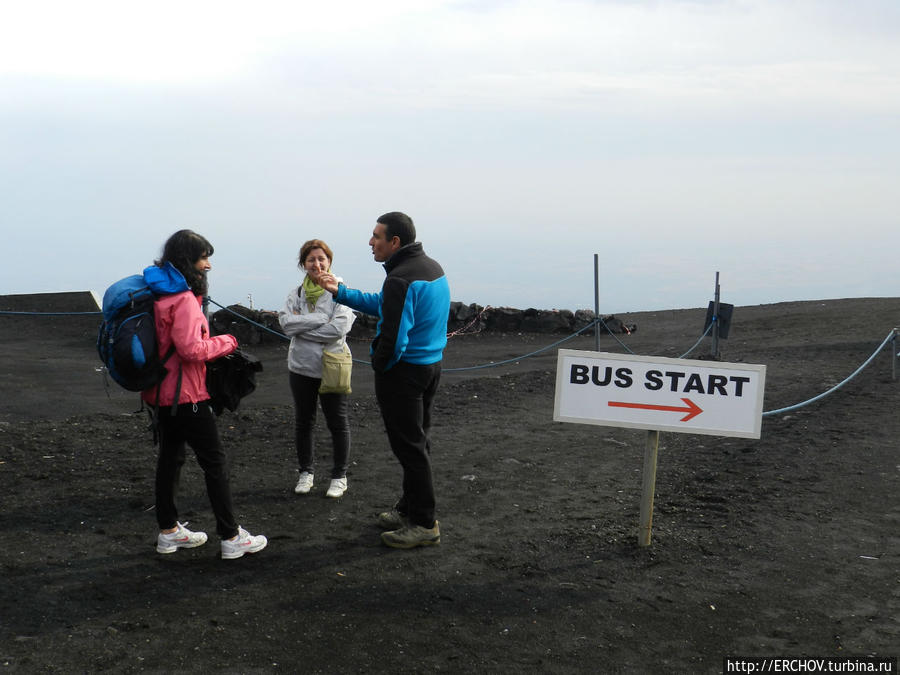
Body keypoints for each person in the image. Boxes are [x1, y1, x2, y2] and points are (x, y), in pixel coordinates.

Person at [319, 212, 450, 549]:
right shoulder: (431, 267)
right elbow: (387, 306)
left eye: (376, 236)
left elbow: (394, 337)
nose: (370, 242)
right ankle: (410, 508)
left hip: (404, 374)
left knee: (410, 448)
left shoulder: (401, 279)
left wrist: (381, 365)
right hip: (430, 368)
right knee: (418, 442)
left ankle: (424, 523)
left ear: (395, 242)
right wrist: (341, 291)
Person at [141, 229, 267, 560]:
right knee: (215, 462)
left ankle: (168, 532)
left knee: (171, 458)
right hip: (186, 396)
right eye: (203, 258)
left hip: (159, 394)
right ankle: (230, 536)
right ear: (188, 261)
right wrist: (228, 341)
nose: (208, 265)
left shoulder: (159, 294)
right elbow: (191, 349)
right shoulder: (182, 299)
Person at [278, 239, 356, 498]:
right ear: (304, 264)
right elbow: (286, 325)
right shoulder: (296, 293)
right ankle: (306, 473)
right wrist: (320, 319)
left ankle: (339, 476)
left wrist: (303, 329)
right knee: (304, 421)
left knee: (337, 422)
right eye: (311, 259)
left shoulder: (340, 291)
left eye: (321, 258)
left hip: (333, 365)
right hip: (301, 367)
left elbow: (339, 328)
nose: (317, 263)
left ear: (329, 261)